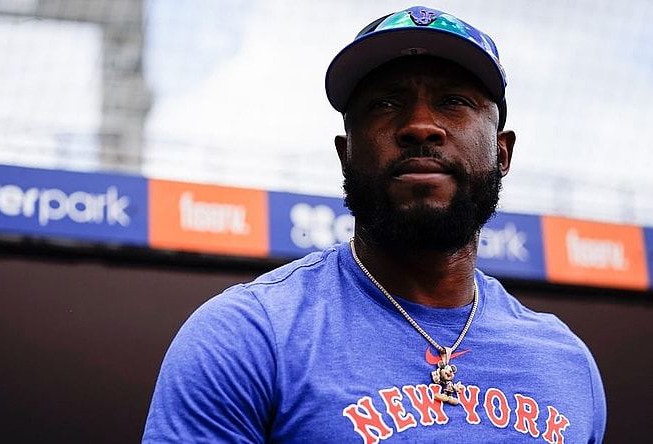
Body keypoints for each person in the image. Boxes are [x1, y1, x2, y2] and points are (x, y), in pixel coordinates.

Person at [142, 5, 606, 443]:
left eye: (454, 101)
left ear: (502, 153)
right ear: (346, 155)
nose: (421, 125)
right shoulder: (248, 336)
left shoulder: (568, 365)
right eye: (385, 104)